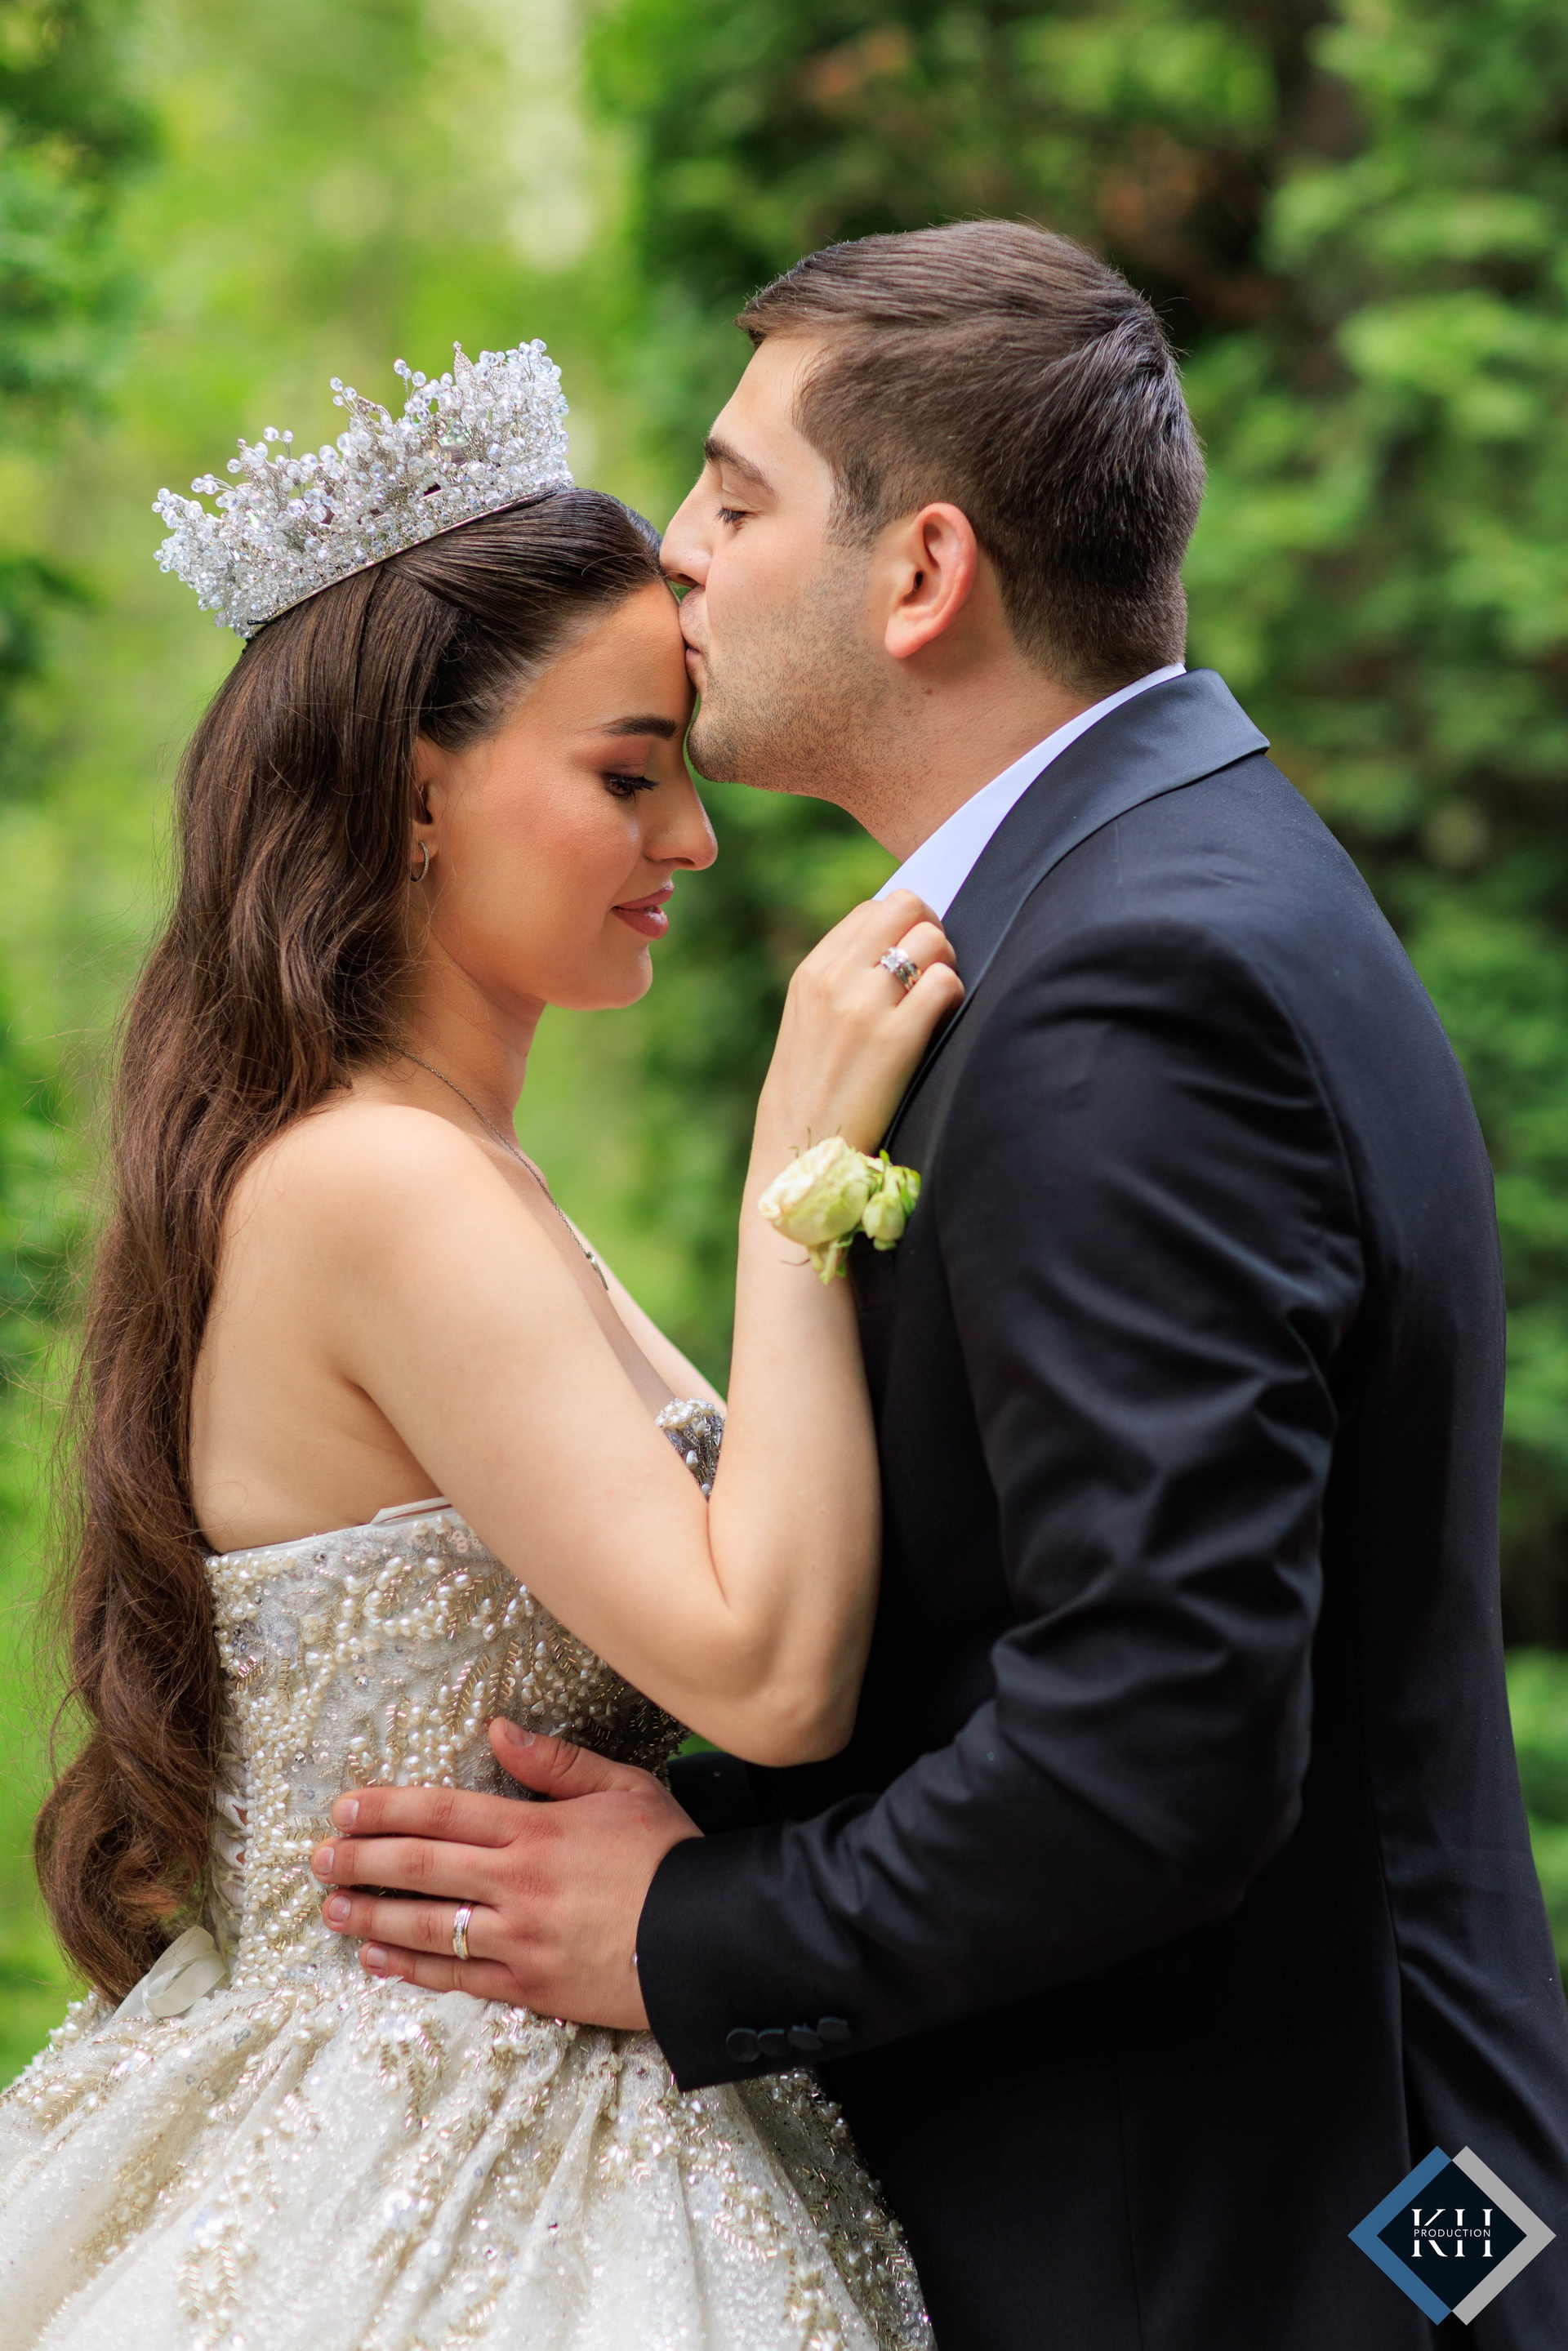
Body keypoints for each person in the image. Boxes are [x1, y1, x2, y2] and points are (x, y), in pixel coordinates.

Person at [324, 226, 1568, 2348]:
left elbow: (1158, 1741)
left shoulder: (1130, 985)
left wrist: (689, 1930)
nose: (676, 551)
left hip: (1279, 2243)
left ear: (923, 574)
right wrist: (698, 1821)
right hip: (1354, 2190)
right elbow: (1028, 1633)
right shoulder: (1154, 886)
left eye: (735, 500)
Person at [0, 342, 955, 2349]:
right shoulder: (383, 1185)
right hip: (433, 2141)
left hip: (556, 2073)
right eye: (626, 773)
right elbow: (770, 1674)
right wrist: (799, 1176)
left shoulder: (452, 1172)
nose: (692, 840)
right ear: (415, 791)